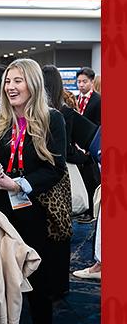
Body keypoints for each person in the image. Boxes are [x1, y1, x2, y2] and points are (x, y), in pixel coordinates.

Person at [0, 58, 68, 324]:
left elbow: (55, 168)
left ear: (33, 84)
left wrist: (19, 184)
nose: (11, 87)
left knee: (38, 284)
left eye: (18, 81)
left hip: (33, 212)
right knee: (0, 280)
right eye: (8, 81)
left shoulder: (52, 119)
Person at [43, 65, 99, 230]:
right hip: (59, 172)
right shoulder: (63, 111)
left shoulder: (33, 111)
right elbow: (65, 149)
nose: (80, 85)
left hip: (39, 172)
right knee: (59, 217)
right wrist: (85, 159)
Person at [75, 67, 102, 223]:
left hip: (91, 143)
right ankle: (86, 209)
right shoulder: (77, 98)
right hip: (80, 145)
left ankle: (93, 212)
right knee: (84, 179)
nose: (81, 85)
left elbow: (99, 124)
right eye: (79, 81)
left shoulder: (97, 100)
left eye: (84, 81)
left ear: (92, 82)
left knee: (92, 179)